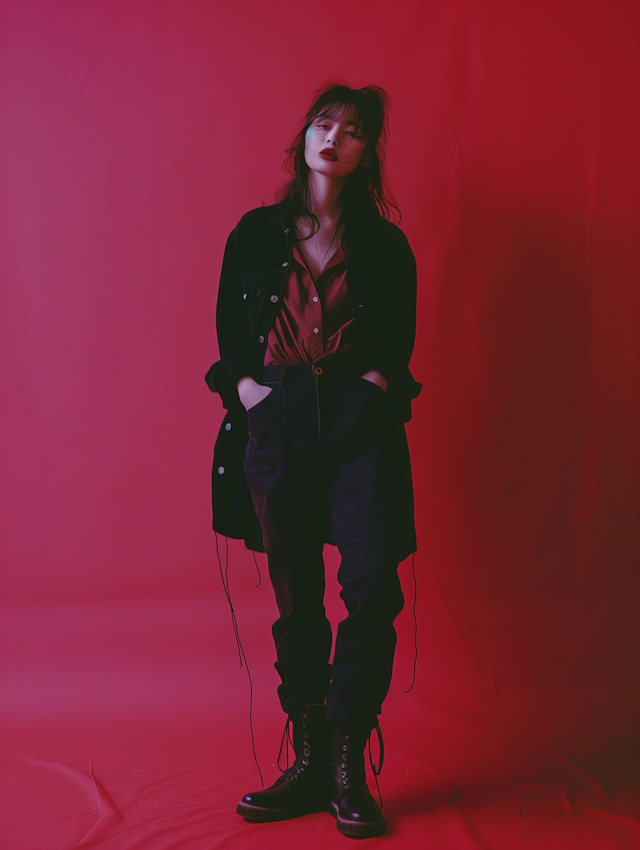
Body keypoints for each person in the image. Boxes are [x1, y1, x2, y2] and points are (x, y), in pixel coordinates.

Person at [205, 83, 421, 839]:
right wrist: (252, 393)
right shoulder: (255, 234)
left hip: (358, 421)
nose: (334, 138)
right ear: (303, 137)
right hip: (279, 415)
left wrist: (374, 387)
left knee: (372, 581)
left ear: (367, 151)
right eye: (323, 124)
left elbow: (398, 342)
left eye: (352, 130)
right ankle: (309, 758)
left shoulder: (385, 245)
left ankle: (348, 759)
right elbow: (230, 336)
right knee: (296, 591)